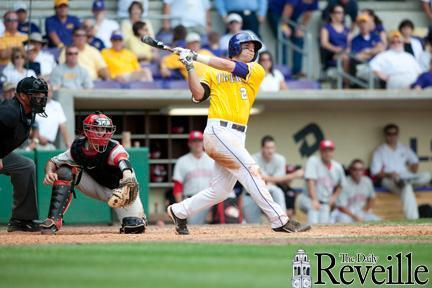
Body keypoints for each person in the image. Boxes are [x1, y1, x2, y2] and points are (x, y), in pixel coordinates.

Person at [166, 31, 311, 235]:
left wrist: (196, 56)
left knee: (221, 191)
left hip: (237, 135)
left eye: (254, 48)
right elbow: (198, 94)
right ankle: (279, 219)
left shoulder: (255, 69)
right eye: (247, 47)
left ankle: (179, 211)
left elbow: (228, 66)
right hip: (219, 131)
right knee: (251, 169)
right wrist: (189, 66)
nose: (252, 51)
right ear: (235, 48)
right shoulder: (212, 72)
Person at [40, 112, 147, 234]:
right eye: (97, 129)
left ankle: (139, 217)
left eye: (104, 129)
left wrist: (127, 176)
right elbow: (52, 161)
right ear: (86, 131)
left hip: (121, 190)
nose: (101, 133)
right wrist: (49, 172)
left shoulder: (113, 147)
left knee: (134, 226)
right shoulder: (77, 148)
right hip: (95, 186)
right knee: (64, 171)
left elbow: (122, 161)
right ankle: (53, 220)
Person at [0, 76, 48, 232]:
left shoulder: (29, 112)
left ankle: (22, 219)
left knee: (25, 166)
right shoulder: (9, 111)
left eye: (42, 95)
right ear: (22, 95)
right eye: (35, 94)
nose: (40, 98)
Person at [371, 124, 432, 220]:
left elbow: (415, 162)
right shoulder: (380, 151)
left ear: (397, 134)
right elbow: (375, 172)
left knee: (427, 175)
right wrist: (389, 174)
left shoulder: (403, 147)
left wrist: (413, 168)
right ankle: (413, 219)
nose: (392, 136)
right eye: (389, 134)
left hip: (406, 177)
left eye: (394, 133)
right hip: (390, 179)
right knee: (407, 188)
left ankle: (406, 182)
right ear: (385, 135)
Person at [243, 135, 303, 223]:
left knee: (277, 191)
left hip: (270, 190)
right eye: (267, 148)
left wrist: (273, 180)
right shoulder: (253, 158)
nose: (270, 151)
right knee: (252, 224)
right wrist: (293, 175)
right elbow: (262, 179)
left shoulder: (280, 159)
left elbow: (278, 180)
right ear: (262, 148)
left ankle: (283, 220)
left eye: (272, 148)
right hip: (252, 194)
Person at [172, 131, 215, 224]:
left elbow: (217, 184)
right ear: (189, 144)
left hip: (209, 201)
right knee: (193, 231)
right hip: (191, 201)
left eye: (199, 141)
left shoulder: (212, 159)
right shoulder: (182, 161)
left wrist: (213, 208)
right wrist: (181, 209)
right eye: (194, 141)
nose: (197, 144)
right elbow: (177, 186)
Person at [298, 140, 346, 224]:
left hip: (325, 203)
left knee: (324, 223)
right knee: (313, 211)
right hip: (307, 198)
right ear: (320, 152)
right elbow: (310, 181)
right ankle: (310, 235)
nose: (327, 153)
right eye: (324, 150)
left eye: (329, 150)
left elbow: (341, 184)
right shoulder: (313, 161)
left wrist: (334, 198)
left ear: (333, 152)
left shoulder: (337, 167)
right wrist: (314, 200)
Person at [331, 159, 381, 223]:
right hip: (345, 213)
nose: (358, 172)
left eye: (360, 169)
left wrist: (365, 210)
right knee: (344, 221)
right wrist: (355, 216)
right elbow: (341, 207)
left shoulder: (367, 181)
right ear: (350, 170)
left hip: (360, 211)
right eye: (355, 169)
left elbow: (372, 197)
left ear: (363, 171)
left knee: (378, 221)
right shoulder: (344, 183)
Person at [278, 0, 319, 77]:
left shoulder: (314, 1)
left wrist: (301, 27)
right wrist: (284, 25)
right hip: (277, 11)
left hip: (293, 16)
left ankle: (297, 70)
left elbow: (309, 13)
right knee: (283, 36)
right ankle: (283, 71)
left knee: (299, 38)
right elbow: (287, 9)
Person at [34, 84, 71, 150]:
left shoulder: (57, 105)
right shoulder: (33, 105)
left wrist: (69, 145)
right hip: (34, 145)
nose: (47, 93)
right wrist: (38, 137)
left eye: (49, 91)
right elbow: (28, 127)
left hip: (50, 146)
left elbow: (63, 127)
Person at [320, 4, 350, 72]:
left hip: (345, 53)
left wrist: (347, 51)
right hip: (332, 55)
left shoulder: (346, 29)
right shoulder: (326, 28)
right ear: (332, 14)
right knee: (346, 58)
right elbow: (324, 43)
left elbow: (349, 44)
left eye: (343, 13)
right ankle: (347, 82)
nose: (341, 15)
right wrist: (337, 50)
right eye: (338, 12)